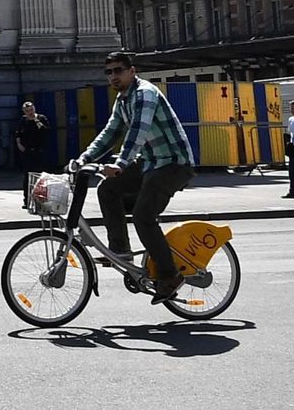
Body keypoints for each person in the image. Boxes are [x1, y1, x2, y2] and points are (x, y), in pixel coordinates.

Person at [73, 52, 196, 303]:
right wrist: (83, 159)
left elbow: (137, 131)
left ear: (132, 71)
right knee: (108, 190)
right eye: (108, 72)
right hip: (150, 162)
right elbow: (110, 133)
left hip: (173, 163)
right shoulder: (122, 100)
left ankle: (169, 274)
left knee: (143, 216)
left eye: (118, 70)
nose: (113, 77)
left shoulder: (145, 94)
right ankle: (120, 251)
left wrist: (120, 163)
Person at [13, 101, 51, 211]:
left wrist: (36, 120)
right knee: (28, 176)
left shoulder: (41, 118)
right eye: (27, 111)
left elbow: (46, 131)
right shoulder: (23, 121)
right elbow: (18, 133)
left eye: (31, 110)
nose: (30, 113)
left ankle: (41, 200)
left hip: (40, 151)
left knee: (41, 176)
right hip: (27, 152)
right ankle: (27, 200)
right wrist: (19, 144)